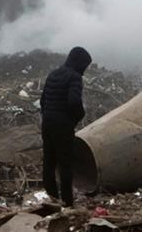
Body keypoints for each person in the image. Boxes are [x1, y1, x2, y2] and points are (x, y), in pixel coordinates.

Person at [40, 46, 92, 207]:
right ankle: (67, 202)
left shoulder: (53, 74)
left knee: (49, 161)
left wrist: (48, 115)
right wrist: (78, 117)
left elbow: (43, 101)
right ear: (79, 63)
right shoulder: (75, 77)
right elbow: (74, 101)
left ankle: (52, 198)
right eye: (85, 65)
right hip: (63, 125)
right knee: (66, 163)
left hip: (47, 123)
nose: (85, 69)